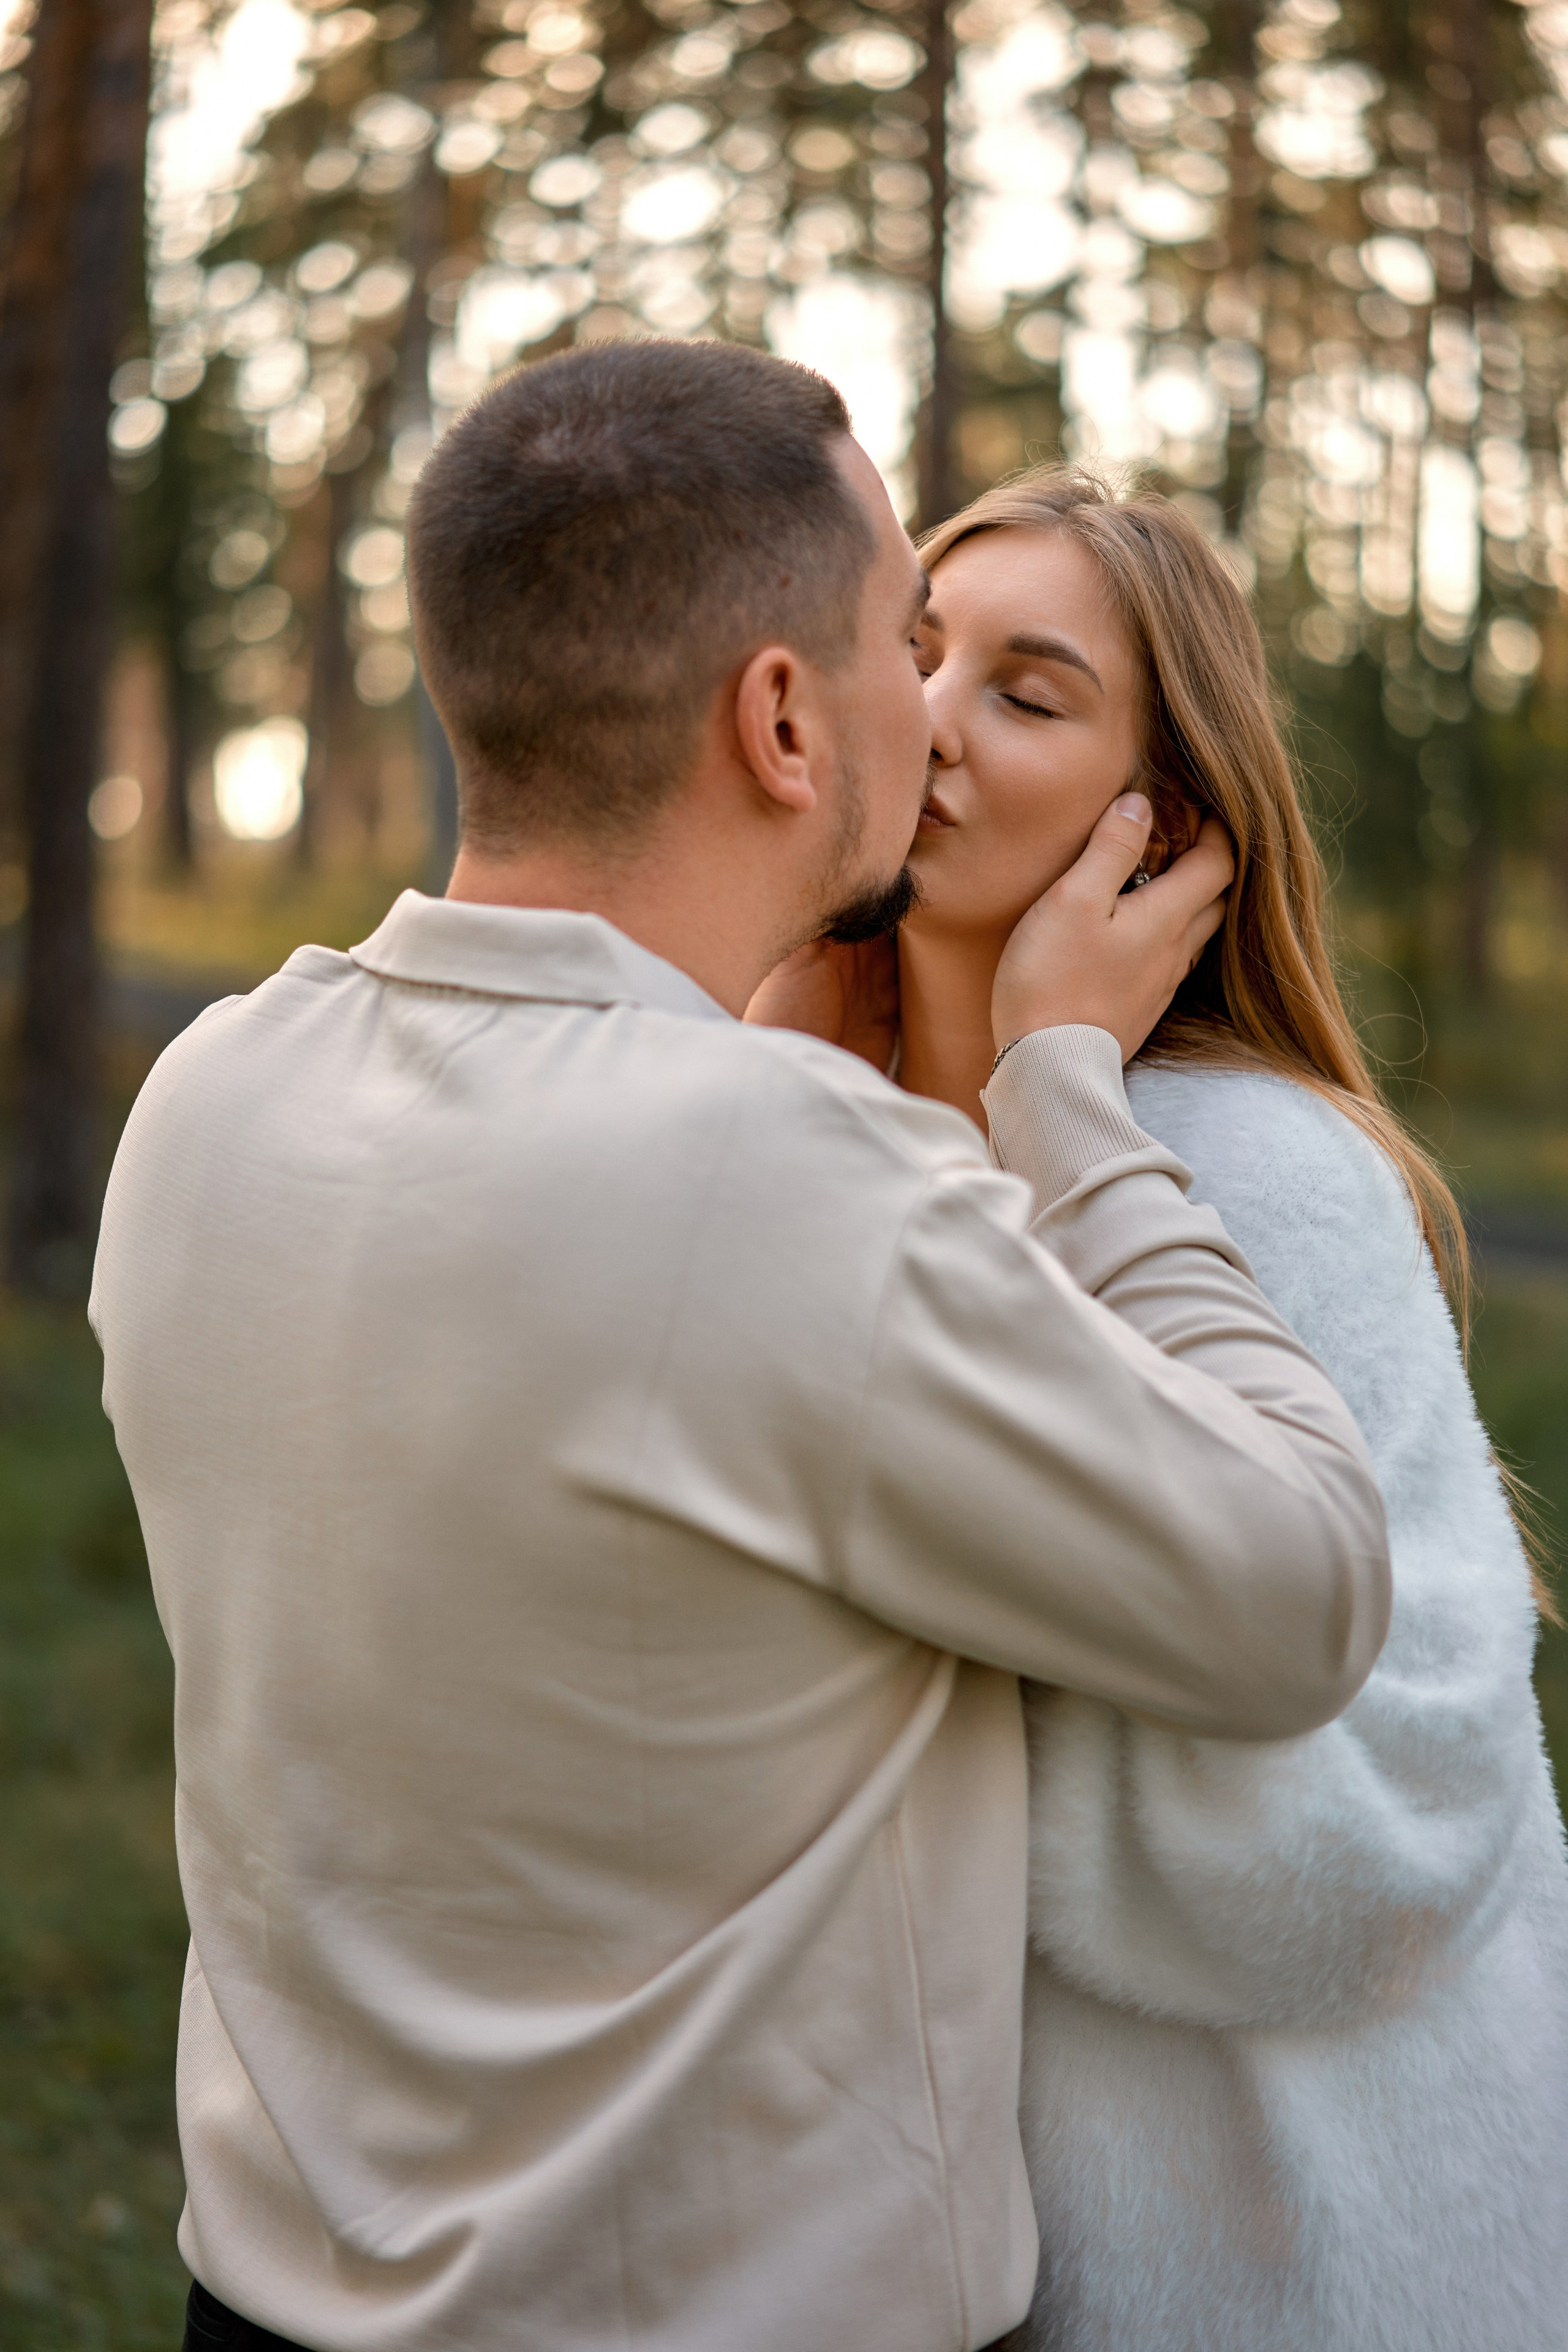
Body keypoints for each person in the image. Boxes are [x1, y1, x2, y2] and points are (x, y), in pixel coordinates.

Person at [91, 345, 1391, 2352]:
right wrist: (1060, 1085)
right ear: (783, 718)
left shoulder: (208, 1094)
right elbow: (1303, 1593)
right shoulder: (801, 1186)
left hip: (256, 2299)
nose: (933, 715)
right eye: (903, 639)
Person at [764, 466, 1568, 2351]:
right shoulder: (792, 1130)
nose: (933, 724)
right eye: (916, 651)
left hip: (1289, 2244)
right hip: (924, 2247)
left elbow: (1386, 1820)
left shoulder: (1257, 1172)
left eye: (1027, 695)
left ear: (1166, 827)